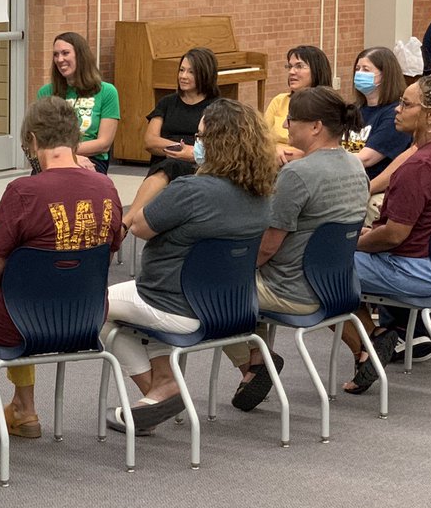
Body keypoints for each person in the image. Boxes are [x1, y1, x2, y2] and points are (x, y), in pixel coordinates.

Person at [0, 96, 123, 443]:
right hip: (85, 318)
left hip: (22, 320)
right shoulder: (106, 186)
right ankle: (23, 409)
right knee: (23, 296)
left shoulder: (24, 190)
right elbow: (110, 253)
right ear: (75, 139)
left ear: (35, 141)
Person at [103, 99, 274, 433]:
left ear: (218, 144)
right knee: (134, 317)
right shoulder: (263, 193)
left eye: (199, 138)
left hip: (172, 303)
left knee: (92, 308)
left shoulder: (190, 190)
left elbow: (138, 227)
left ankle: (161, 390)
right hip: (233, 309)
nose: (194, 145)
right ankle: (163, 388)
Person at [222, 87, 369, 410]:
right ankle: (258, 358)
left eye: (292, 120)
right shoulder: (356, 166)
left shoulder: (298, 175)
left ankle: (253, 363)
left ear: (315, 126)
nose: (286, 127)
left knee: (214, 289)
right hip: (340, 286)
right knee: (243, 280)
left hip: (292, 291)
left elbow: (266, 249)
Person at [344, 70, 431, 394]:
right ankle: (373, 341)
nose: (396, 110)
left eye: (406, 104)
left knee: (320, 267)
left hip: (414, 270)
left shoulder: (420, 165)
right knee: (335, 260)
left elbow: (393, 235)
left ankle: (370, 342)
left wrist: (355, 243)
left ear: (430, 115)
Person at [124, 47, 218, 225]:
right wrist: (180, 149)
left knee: (173, 165)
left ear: (205, 74)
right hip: (167, 160)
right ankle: (129, 221)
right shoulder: (167, 102)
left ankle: (128, 221)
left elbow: (218, 146)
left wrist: (193, 154)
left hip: (198, 165)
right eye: (181, 70)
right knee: (170, 165)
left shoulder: (216, 107)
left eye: (191, 72)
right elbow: (150, 141)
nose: (183, 76)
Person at [37, 31, 120, 173]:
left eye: (65, 53)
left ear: (80, 56)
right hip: (53, 158)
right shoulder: (45, 92)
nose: (59, 59)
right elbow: (41, 141)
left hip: (92, 158)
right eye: (56, 54)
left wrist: (71, 156)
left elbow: (104, 144)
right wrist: (70, 157)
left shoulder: (107, 91)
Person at [346, 46, 411, 181]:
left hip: (373, 189)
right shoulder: (355, 109)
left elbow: (366, 159)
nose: (359, 74)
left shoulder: (395, 114)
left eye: (366, 69)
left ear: (385, 74)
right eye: (357, 69)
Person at [262, 44, 334, 165]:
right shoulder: (279, 100)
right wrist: (274, 149)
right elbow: (261, 138)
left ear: (317, 71)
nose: (291, 72)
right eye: (289, 67)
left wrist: (300, 155)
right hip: (274, 162)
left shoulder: (328, 105)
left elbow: (330, 147)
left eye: (299, 66)